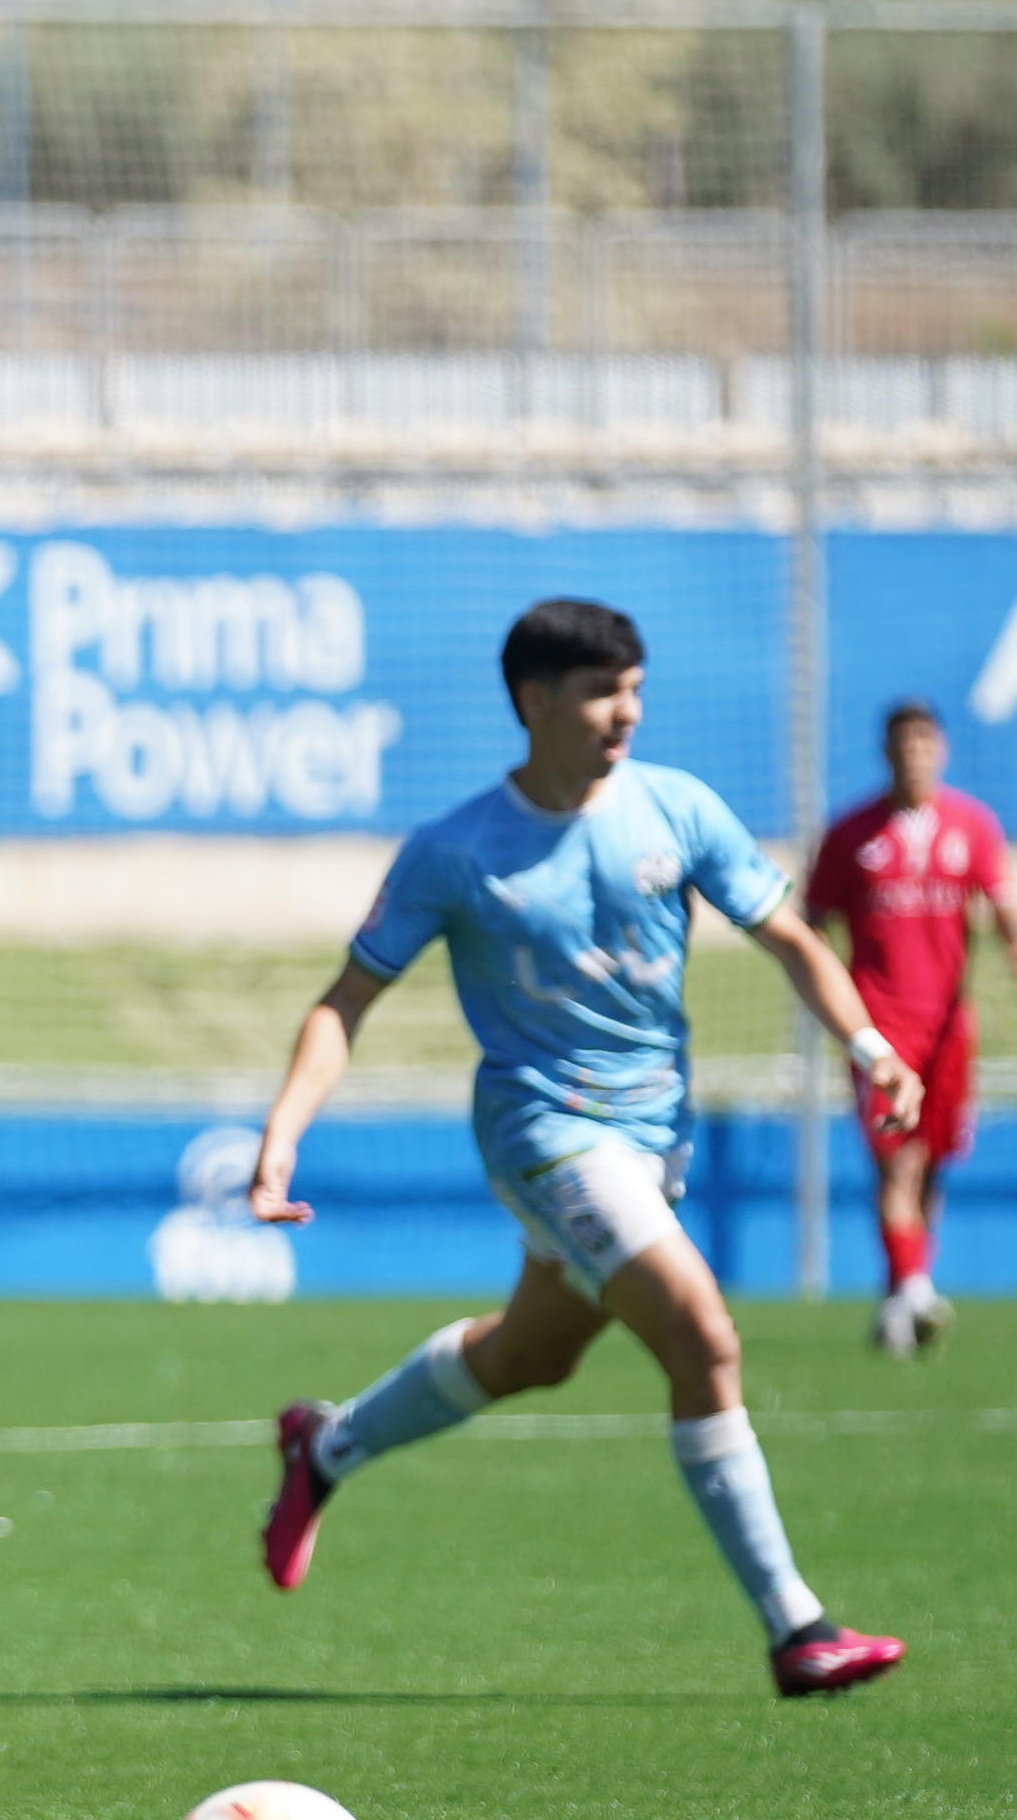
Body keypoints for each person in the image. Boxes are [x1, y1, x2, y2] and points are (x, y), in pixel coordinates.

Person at [248, 599, 912, 1700]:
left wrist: (869, 1041)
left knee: (531, 1356)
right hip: (541, 1132)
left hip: (654, 1140)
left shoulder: (678, 807)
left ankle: (326, 1445)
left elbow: (790, 935)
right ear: (534, 702)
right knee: (703, 1335)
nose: (627, 715)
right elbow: (345, 999)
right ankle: (799, 1625)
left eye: (637, 691)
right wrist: (281, 1139)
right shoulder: (455, 851)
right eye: (606, 694)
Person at [807, 699, 1013, 1357]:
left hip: (950, 1027)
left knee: (933, 1167)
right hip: (880, 1027)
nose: (915, 756)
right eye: (904, 745)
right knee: (899, 1159)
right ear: (886, 752)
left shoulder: (972, 827)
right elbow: (808, 928)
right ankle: (915, 1288)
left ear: (942, 750)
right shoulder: (851, 836)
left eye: (926, 743)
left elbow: (1003, 905)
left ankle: (903, 1296)